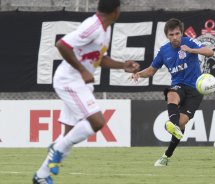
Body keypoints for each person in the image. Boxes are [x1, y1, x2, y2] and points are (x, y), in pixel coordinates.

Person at [32, 0, 140, 183]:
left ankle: (41, 176)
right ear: (116, 11)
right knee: (97, 122)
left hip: (78, 83)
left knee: (68, 134)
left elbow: (99, 58)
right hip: (70, 81)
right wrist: (82, 70)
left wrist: (123, 65)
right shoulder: (93, 26)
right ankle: (57, 148)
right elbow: (62, 45)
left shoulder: (106, 29)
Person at [131, 18, 214, 166]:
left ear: (181, 33)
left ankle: (166, 155)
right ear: (167, 35)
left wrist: (192, 50)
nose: (175, 37)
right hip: (179, 86)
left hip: (195, 90)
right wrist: (139, 74)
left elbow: (210, 52)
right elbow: (151, 71)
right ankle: (174, 125)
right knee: (171, 94)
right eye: (171, 34)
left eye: (177, 34)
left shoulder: (189, 42)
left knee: (181, 124)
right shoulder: (164, 51)